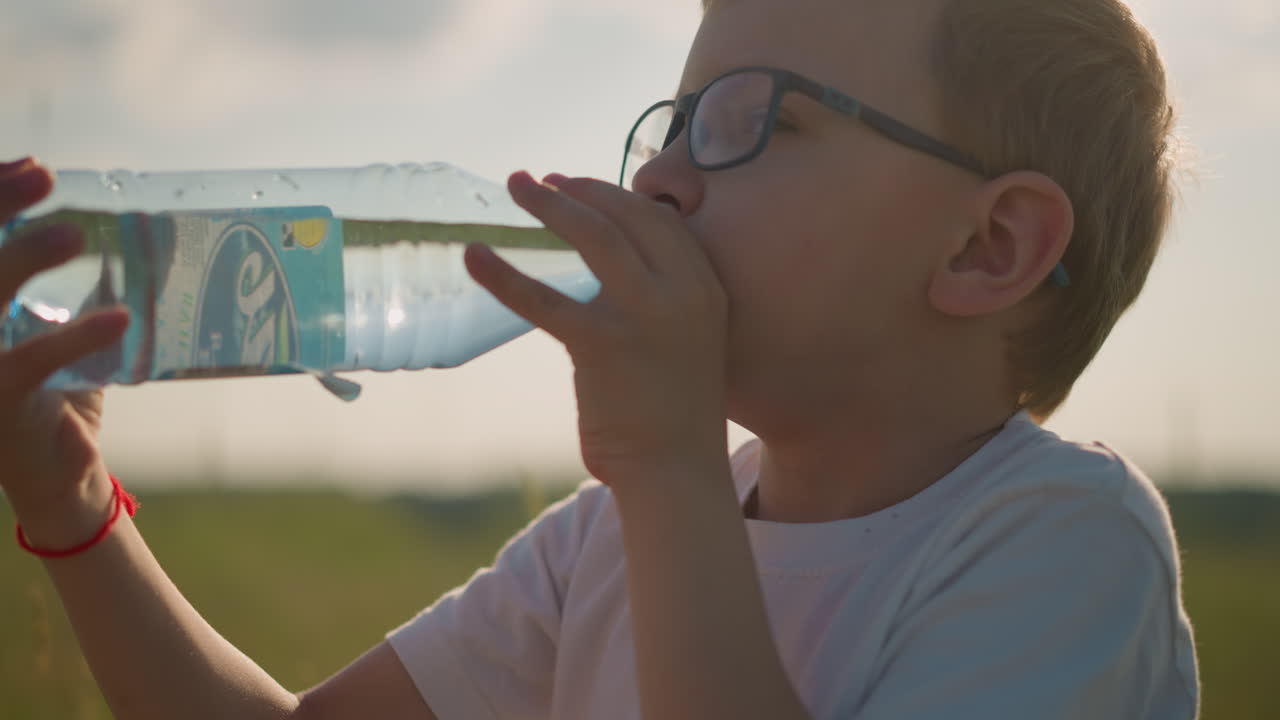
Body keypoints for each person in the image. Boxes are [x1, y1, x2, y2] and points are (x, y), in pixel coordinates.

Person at [0, 0, 1200, 717]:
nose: (660, 179)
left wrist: (666, 469)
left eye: (754, 120)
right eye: (671, 125)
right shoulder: (609, 537)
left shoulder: (1061, 541)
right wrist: (76, 504)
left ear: (987, 246)